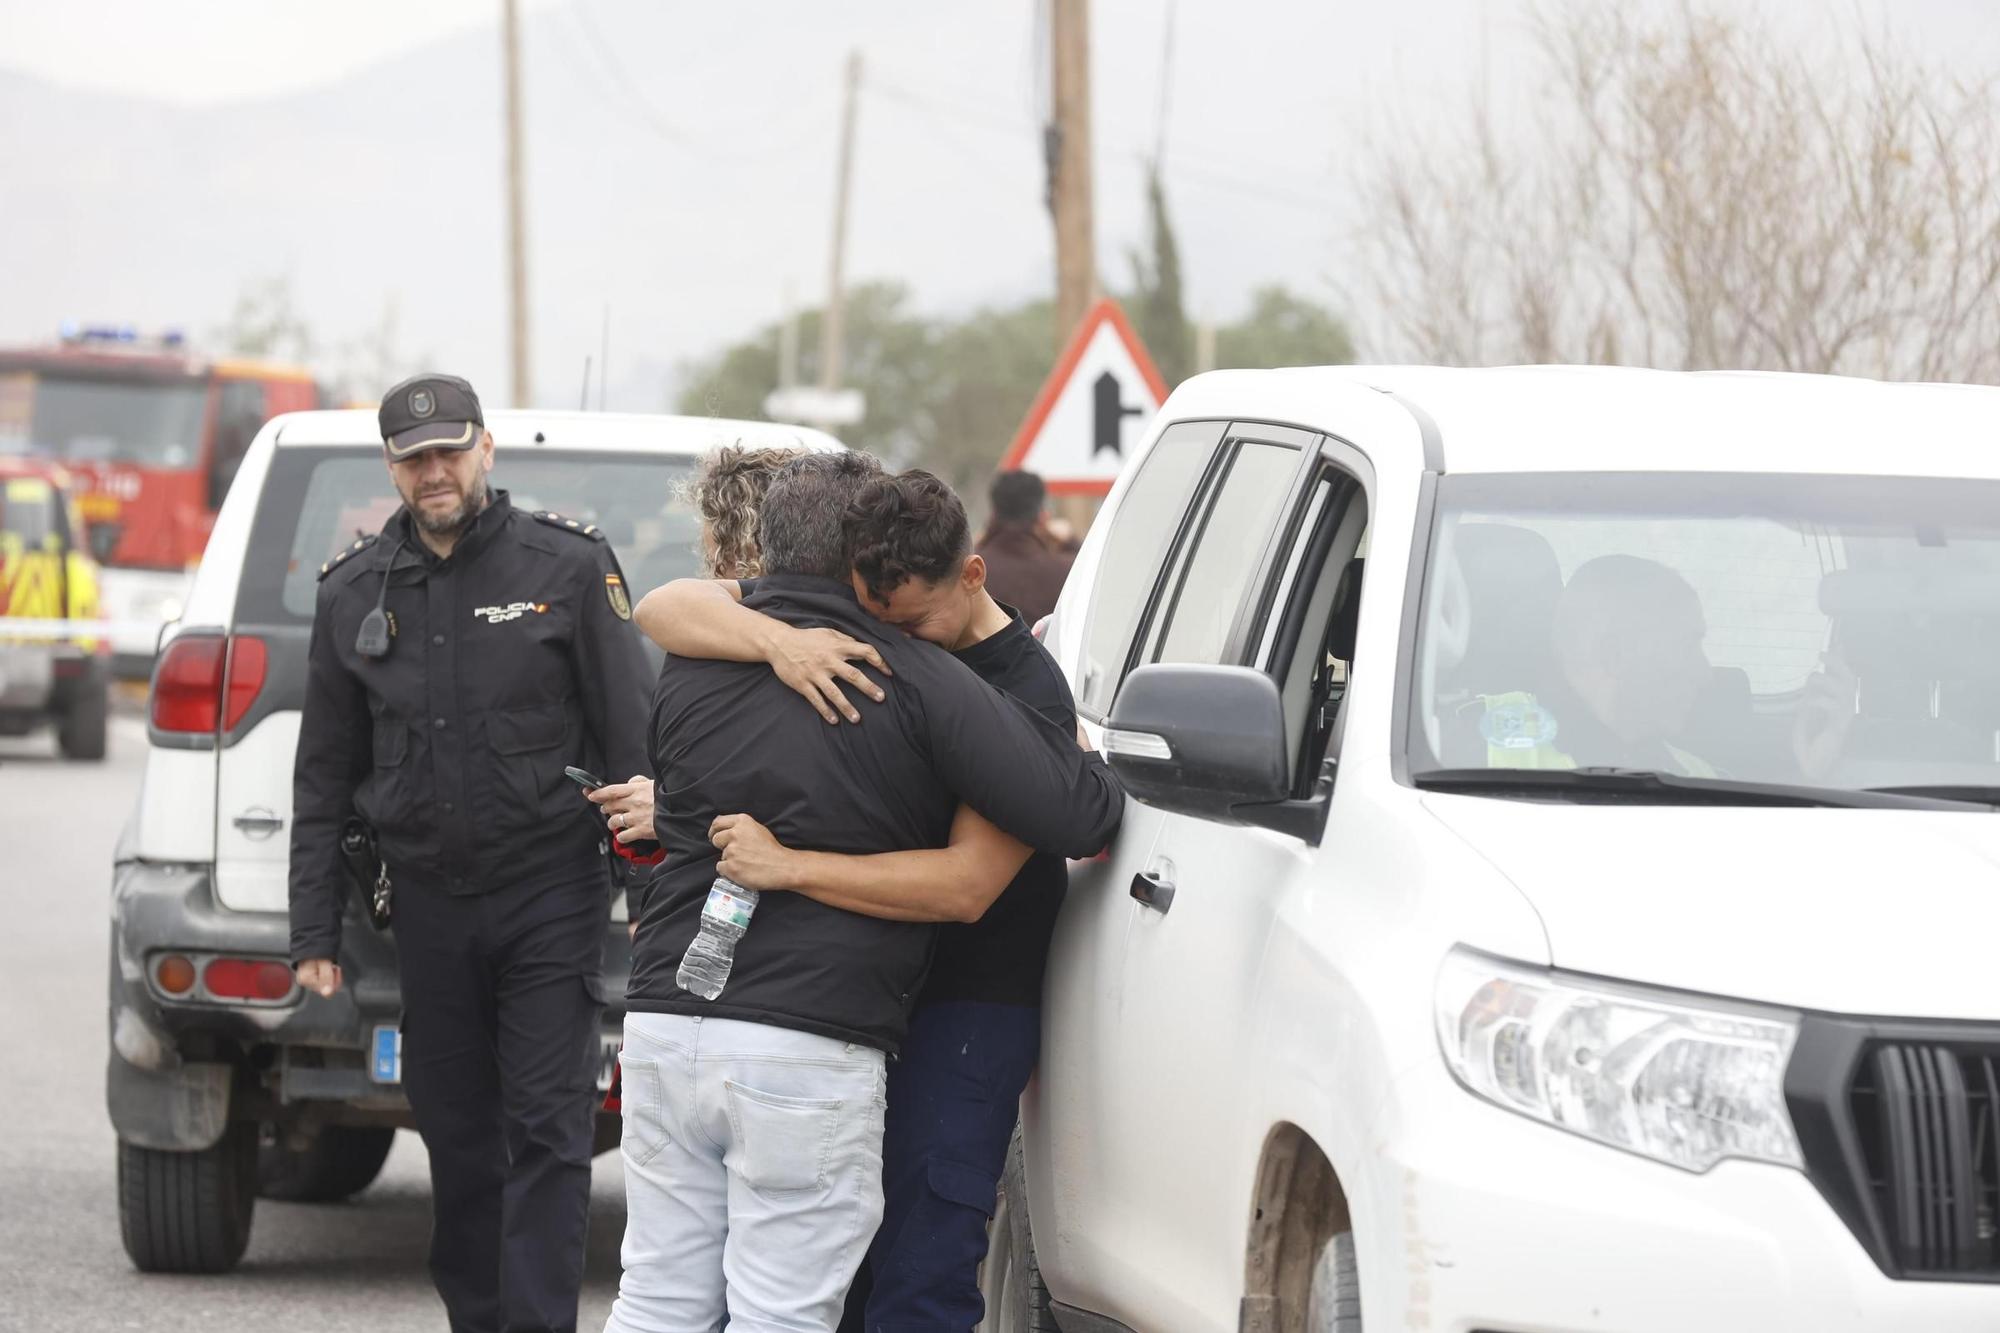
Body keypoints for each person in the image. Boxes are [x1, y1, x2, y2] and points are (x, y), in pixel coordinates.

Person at [603, 452, 1123, 1333]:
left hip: (951, 1002)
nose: (890, 632)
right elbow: (664, 604)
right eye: (877, 610)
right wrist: (780, 641)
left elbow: (983, 875)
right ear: (853, 570)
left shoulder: (988, 684)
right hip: (829, 1016)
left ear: (969, 576)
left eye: (909, 617)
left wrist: (789, 863)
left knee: (894, 1273)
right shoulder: (866, 661)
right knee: (792, 1303)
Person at [290, 372, 654, 1333]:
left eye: (450, 451)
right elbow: (322, 776)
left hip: (551, 897)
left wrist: (653, 896)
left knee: (548, 1127)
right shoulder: (352, 591)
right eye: (414, 458)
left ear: (485, 449)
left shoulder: (567, 567)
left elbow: (633, 744)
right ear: (391, 468)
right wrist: (311, 928)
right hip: (426, 906)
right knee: (456, 1134)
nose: (435, 471)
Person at [589, 444, 820, 887]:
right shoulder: (863, 636)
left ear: (738, 541)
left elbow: (789, 805)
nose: (704, 554)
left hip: (735, 910)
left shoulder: (705, 662)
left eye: (707, 531)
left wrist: (666, 811)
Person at [1479, 553, 1717, 775]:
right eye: (1686, 648)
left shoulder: (1699, 776)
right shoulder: (1470, 742)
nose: (1705, 675)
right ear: (1617, 656)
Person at [973, 469, 1074, 626]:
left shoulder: (972, 573)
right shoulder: (1067, 572)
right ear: (1042, 516)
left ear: (993, 514)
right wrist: (1071, 541)